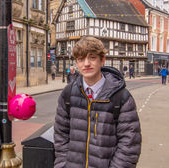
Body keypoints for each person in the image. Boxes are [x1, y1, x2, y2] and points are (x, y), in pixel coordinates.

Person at [54, 36, 141, 168]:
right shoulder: (68, 94)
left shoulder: (121, 97)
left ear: (102, 60)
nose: (86, 63)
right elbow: (61, 136)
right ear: (77, 63)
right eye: (81, 59)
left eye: (92, 57)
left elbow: (129, 144)